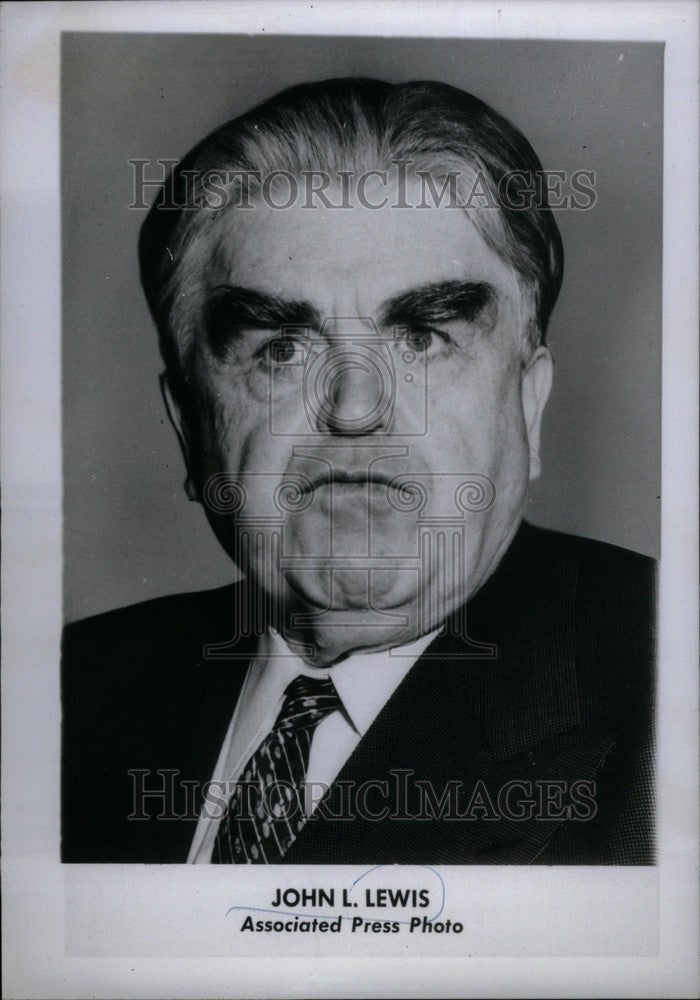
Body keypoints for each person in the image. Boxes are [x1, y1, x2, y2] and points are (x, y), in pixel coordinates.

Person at [62, 78, 655, 865]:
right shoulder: (62, 695)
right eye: (281, 349)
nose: (352, 406)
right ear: (191, 426)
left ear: (529, 401)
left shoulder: (668, 687)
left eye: (422, 340)